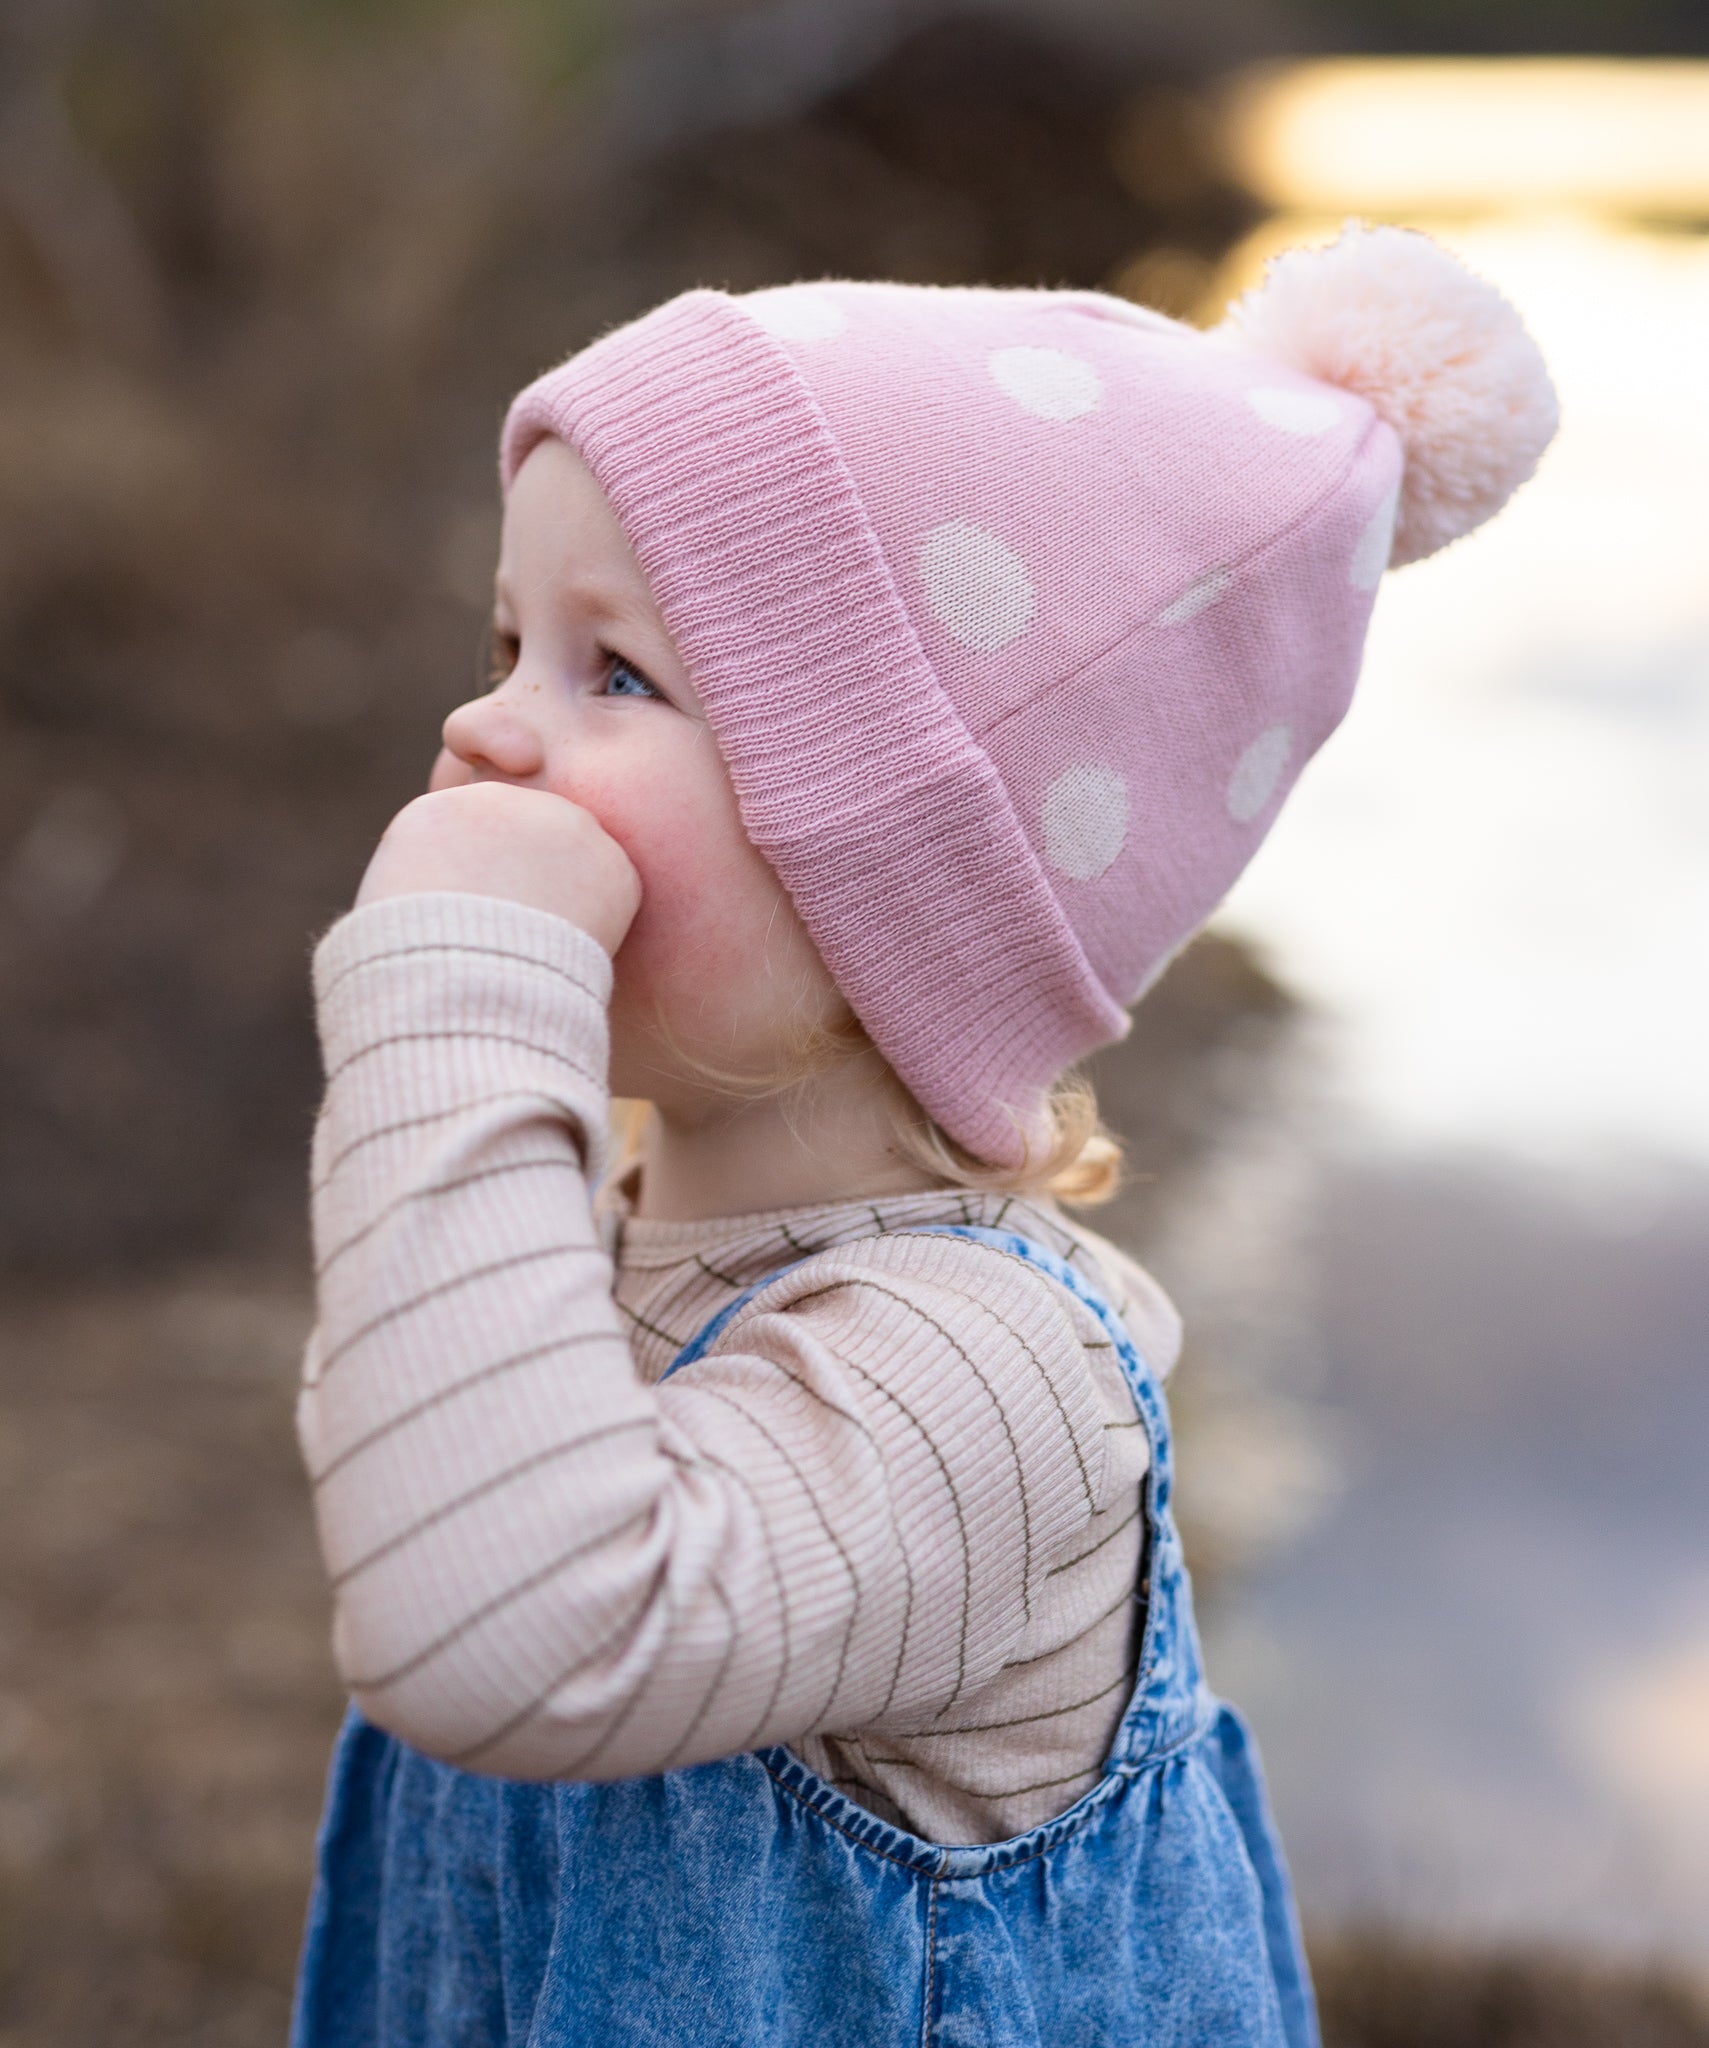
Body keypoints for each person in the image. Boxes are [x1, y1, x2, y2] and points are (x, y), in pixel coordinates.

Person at [289, 225, 1555, 2047]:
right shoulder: (591, 1213)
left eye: (614, 674)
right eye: (506, 642)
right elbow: (417, 1473)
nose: (483, 727)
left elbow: (509, 1634)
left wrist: (461, 991)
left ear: (892, 881)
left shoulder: (992, 1381)